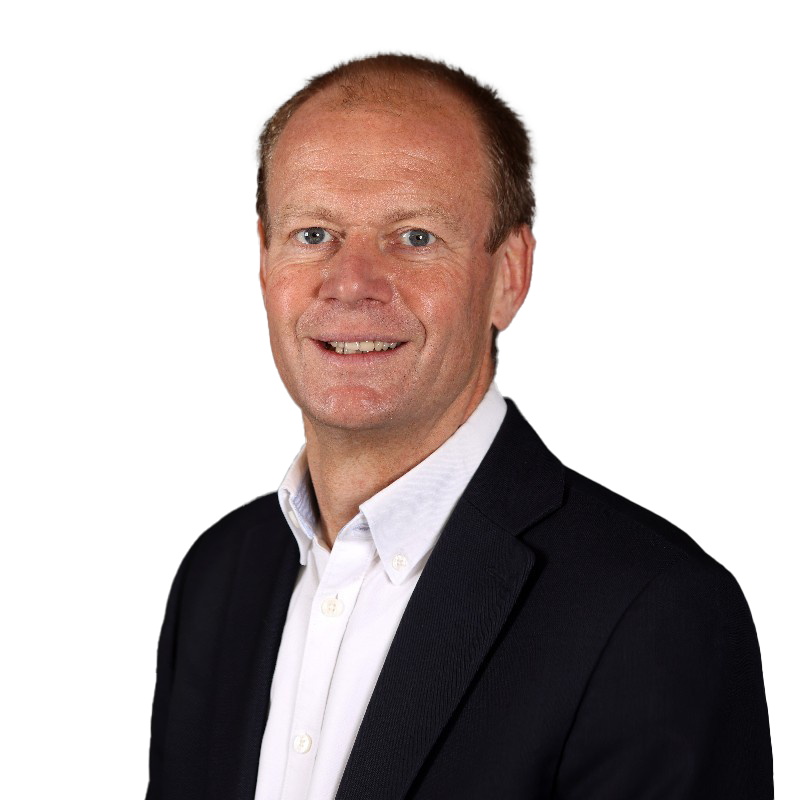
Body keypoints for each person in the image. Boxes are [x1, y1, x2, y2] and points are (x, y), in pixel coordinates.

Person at [147, 52, 773, 800]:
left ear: (508, 275)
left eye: (414, 236)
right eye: (313, 234)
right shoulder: (218, 577)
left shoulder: (656, 613)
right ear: (264, 261)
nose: (351, 283)